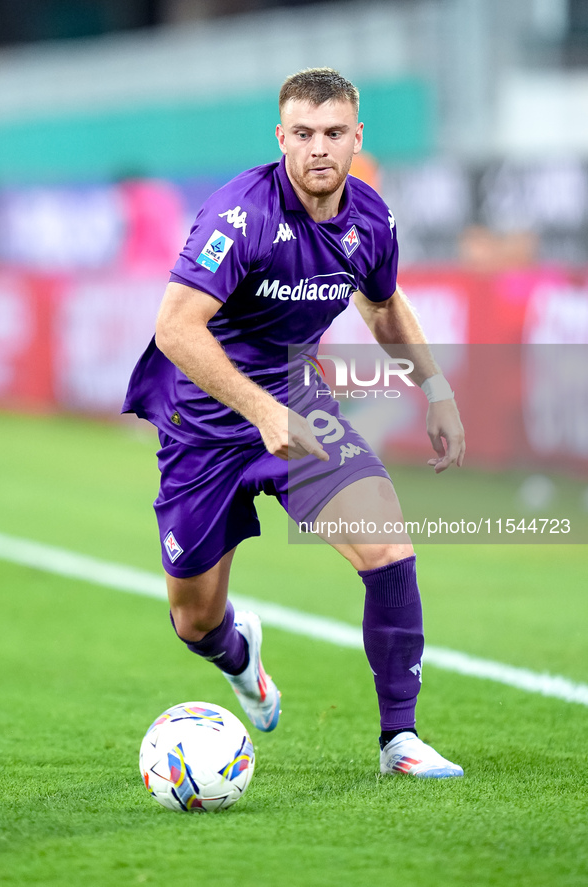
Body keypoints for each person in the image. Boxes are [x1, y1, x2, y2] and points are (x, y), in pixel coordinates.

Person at [123, 68, 466, 778]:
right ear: (281, 137)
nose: (319, 148)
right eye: (303, 133)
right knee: (194, 620)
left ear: (355, 137)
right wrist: (256, 407)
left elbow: (383, 304)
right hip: (205, 426)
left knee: (388, 541)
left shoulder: (371, 218)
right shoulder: (239, 214)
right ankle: (238, 654)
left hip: (298, 406)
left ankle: (398, 738)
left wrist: (434, 388)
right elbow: (176, 328)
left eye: (333, 133)